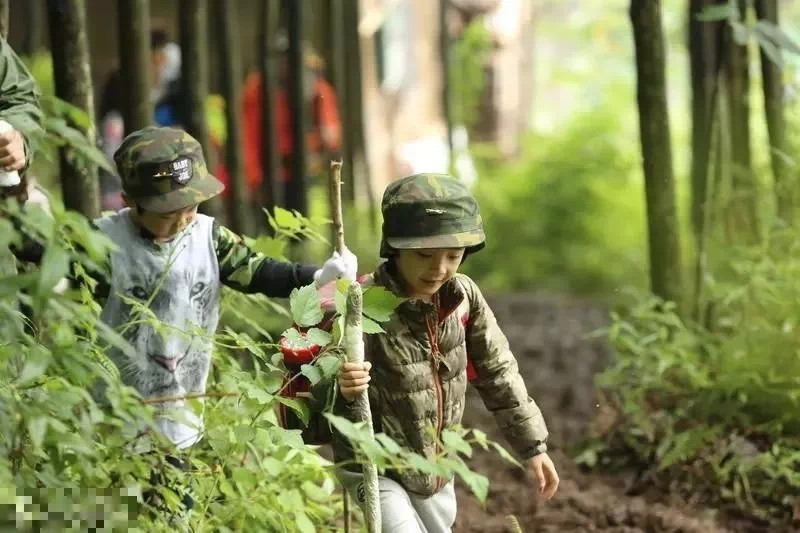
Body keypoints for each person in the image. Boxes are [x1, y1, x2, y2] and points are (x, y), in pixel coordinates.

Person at [9, 126, 358, 513]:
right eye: (167, 212)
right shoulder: (102, 243)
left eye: (190, 207)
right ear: (130, 201)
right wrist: (15, 187)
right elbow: (34, 248)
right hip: (115, 416)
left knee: (179, 509)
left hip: (183, 411)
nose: (181, 220)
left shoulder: (208, 237)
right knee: (118, 510)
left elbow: (257, 272)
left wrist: (318, 277)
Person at [332, 173, 559, 532]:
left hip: (436, 465)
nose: (439, 269)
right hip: (373, 463)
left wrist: (533, 447)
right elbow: (316, 388)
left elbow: (498, 371)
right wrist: (342, 386)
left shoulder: (464, 298)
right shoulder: (364, 302)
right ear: (395, 248)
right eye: (424, 255)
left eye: (453, 255)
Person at [239, 40, 342, 201]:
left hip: (309, 172)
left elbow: (330, 135)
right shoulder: (257, 89)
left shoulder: (319, 89)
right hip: (271, 174)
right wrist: (254, 178)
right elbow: (248, 137)